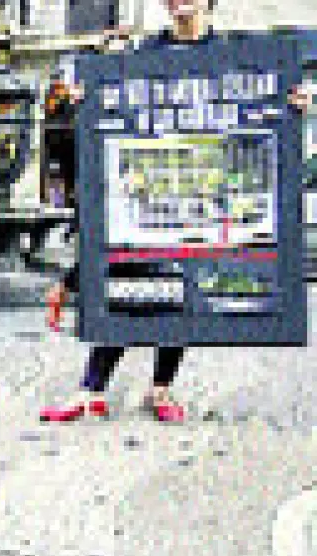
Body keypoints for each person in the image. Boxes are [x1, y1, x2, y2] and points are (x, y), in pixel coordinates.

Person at [41, 0, 316, 423]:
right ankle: (91, 388)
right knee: (130, 280)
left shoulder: (236, 56)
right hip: (148, 193)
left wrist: (295, 103)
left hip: (207, 194)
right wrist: (88, 100)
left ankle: (160, 387)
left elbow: (265, 115)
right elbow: (106, 132)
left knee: (185, 286)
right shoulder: (141, 57)